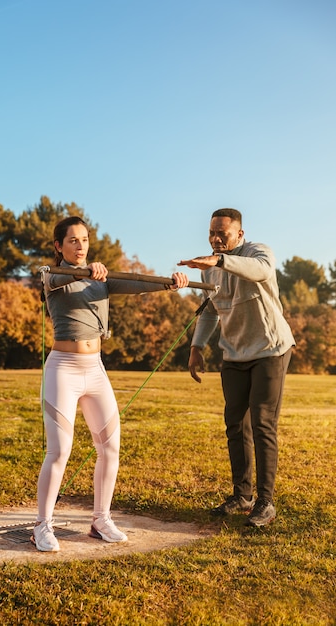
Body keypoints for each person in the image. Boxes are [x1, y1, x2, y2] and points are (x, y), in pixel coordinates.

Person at [32, 215, 189, 552]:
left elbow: (137, 283)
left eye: (84, 240)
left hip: (95, 369)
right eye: (72, 240)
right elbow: (58, 277)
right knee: (59, 451)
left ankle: (100, 520)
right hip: (63, 368)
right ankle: (43, 525)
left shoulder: (101, 280)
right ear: (59, 246)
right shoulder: (53, 276)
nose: (80, 245)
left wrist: (169, 283)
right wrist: (87, 271)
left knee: (110, 448)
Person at [178, 208, 294, 527]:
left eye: (223, 234)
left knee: (263, 423)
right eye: (212, 234)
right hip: (234, 353)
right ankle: (242, 496)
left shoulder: (258, 252)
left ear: (239, 234)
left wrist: (218, 260)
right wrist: (197, 347)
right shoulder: (210, 269)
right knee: (235, 424)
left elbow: (259, 270)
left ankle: (265, 502)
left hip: (270, 348)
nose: (216, 240)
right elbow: (212, 311)